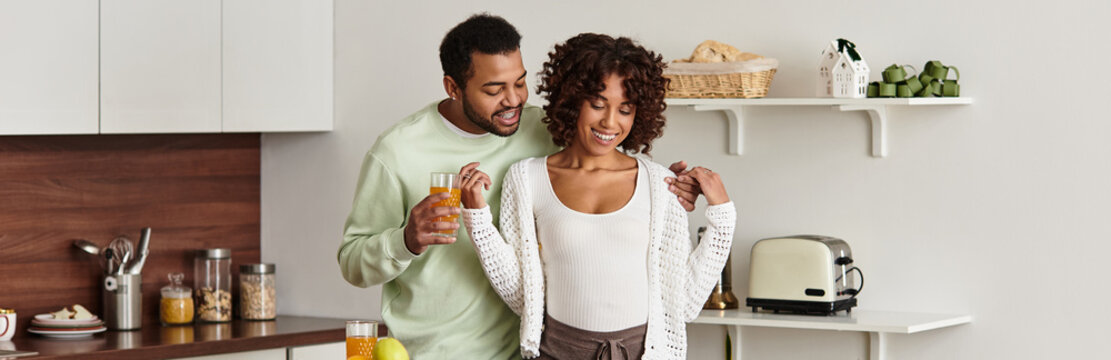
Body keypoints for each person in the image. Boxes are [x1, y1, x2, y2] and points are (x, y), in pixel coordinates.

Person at [338, 15, 704, 359]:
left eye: (519, 82)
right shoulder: (398, 151)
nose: (513, 100)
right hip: (439, 351)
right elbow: (353, 264)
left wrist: (666, 187)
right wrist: (406, 240)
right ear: (453, 87)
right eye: (494, 89)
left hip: (530, 348)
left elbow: (605, 158)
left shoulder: (543, 129)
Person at [458, 33, 736, 360]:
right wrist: (477, 218)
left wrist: (722, 216)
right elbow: (523, 297)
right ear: (572, 100)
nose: (609, 122)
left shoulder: (659, 183)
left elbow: (685, 302)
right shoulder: (526, 178)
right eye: (598, 104)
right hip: (556, 352)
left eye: (625, 109)